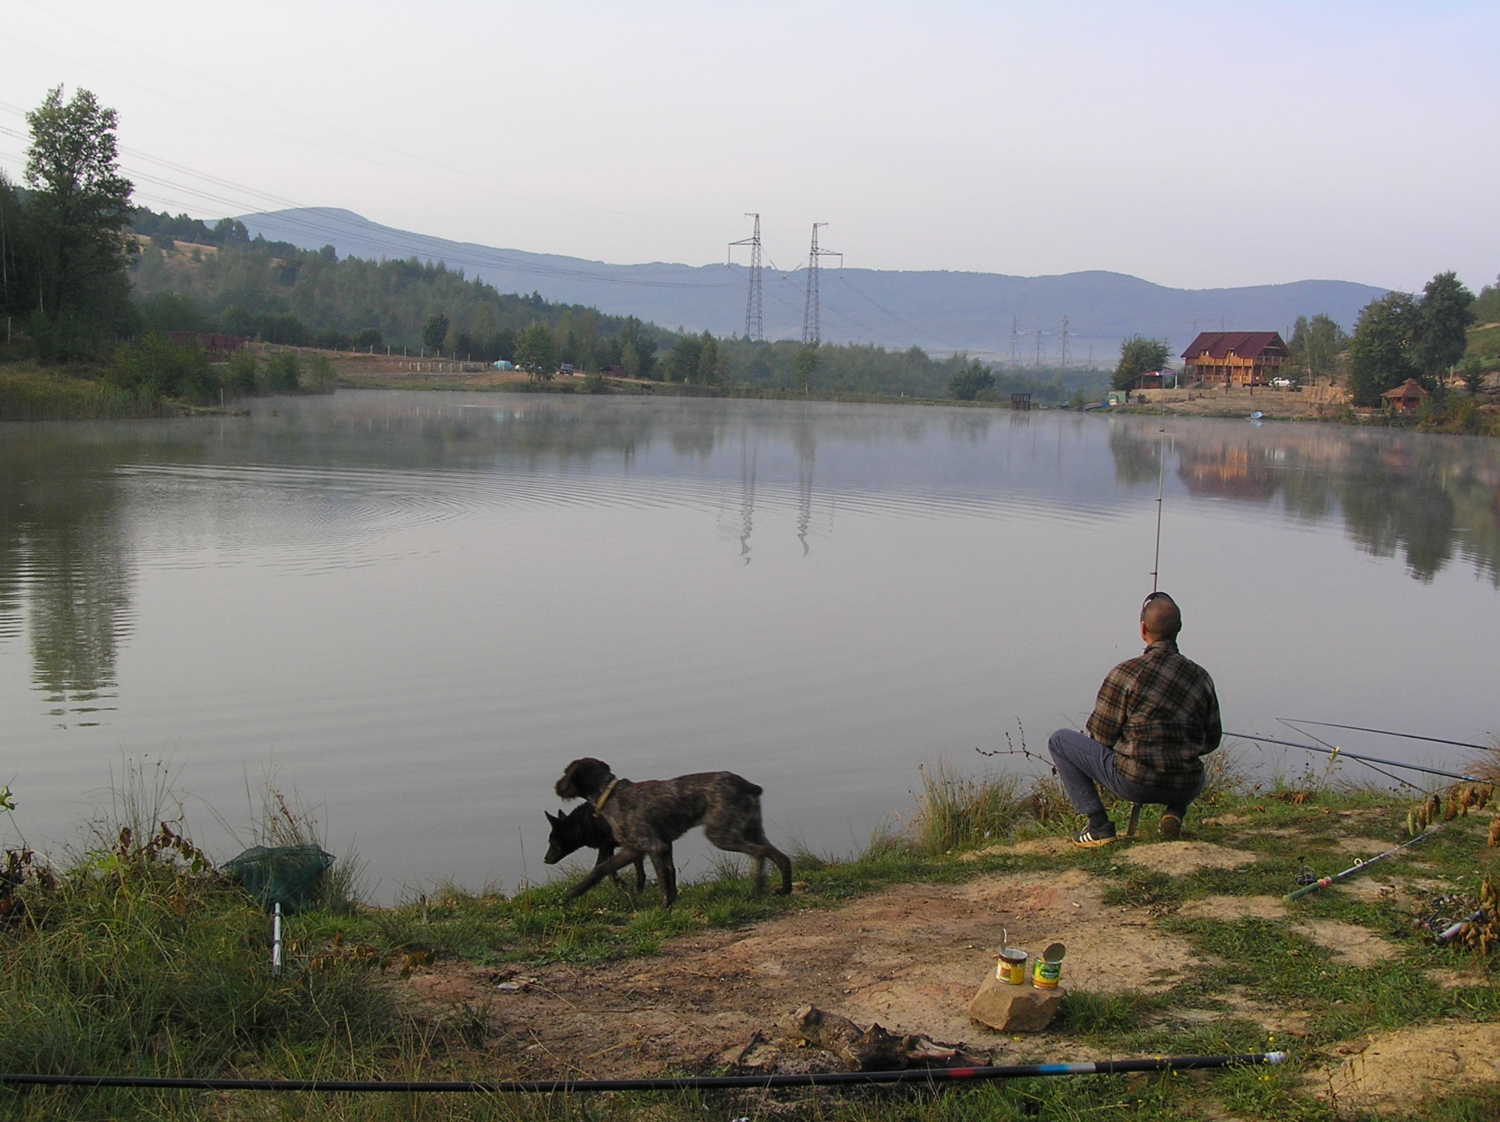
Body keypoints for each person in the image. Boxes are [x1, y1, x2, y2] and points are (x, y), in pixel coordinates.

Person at [1048, 592, 1221, 848]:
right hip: (1186, 784)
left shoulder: (1125, 673)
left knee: (1059, 741)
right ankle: (1175, 811)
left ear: (1143, 629)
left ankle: (1099, 826)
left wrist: (1129, 745)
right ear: (1180, 628)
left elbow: (1101, 737)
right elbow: (1211, 741)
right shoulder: (1201, 677)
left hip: (1135, 784)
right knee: (1197, 770)